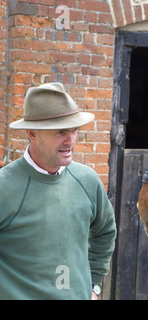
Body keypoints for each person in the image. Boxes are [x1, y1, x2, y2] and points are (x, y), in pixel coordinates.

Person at [0, 82, 116, 299]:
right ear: (32, 133)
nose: (70, 140)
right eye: (60, 132)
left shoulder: (87, 180)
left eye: (74, 130)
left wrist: (95, 286)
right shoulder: (4, 187)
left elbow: (105, 232)